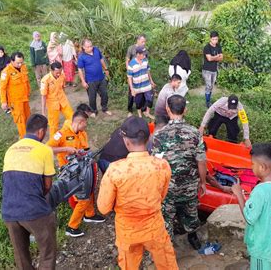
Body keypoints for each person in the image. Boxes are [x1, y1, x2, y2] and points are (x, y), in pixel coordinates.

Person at [97, 116, 178, 270]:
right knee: (167, 263)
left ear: (126, 141)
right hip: (154, 227)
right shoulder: (162, 166)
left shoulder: (115, 169)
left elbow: (104, 208)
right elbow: (162, 196)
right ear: (148, 139)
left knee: (129, 266)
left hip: (128, 231)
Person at [151, 94, 207, 250]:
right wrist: (202, 182)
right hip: (189, 185)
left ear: (167, 109)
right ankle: (193, 237)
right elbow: (201, 161)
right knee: (190, 210)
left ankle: (167, 247)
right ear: (185, 110)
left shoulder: (159, 135)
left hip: (168, 187)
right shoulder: (195, 133)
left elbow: (155, 163)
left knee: (167, 215)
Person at [1, 114, 57, 270]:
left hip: (9, 211)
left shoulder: (10, 149)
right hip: (33, 211)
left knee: (21, 256)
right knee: (48, 252)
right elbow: (47, 186)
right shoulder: (45, 150)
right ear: (41, 132)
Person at [47, 110, 105, 237]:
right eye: (85, 123)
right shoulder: (61, 134)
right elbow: (47, 149)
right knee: (83, 198)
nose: (86, 126)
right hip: (69, 173)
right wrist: (66, 149)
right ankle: (72, 227)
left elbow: (84, 148)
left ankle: (89, 215)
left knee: (88, 189)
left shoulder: (82, 133)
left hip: (82, 168)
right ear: (80, 122)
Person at [231, 143, 271, 270]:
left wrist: (239, 194)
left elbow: (249, 217)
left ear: (262, 167)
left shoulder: (259, 191)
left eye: (252, 164)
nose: (251, 167)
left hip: (263, 248)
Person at [77, 39, 112, 117]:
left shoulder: (96, 50)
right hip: (90, 80)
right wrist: (83, 81)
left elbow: (101, 59)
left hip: (101, 77)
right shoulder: (81, 57)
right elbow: (80, 69)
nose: (90, 48)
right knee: (92, 97)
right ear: (83, 47)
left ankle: (105, 108)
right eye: (88, 47)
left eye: (91, 46)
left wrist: (105, 68)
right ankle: (93, 111)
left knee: (104, 94)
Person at [0, 52, 31, 139]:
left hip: (25, 99)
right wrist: (3, 102)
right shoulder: (6, 72)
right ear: (12, 61)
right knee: (20, 121)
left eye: (21, 62)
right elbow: (2, 88)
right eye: (18, 63)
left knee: (28, 118)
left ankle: (31, 137)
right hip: (15, 102)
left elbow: (26, 81)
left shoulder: (23, 67)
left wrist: (29, 91)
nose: (20, 64)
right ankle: (25, 139)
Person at [40, 62, 74, 137]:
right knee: (53, 125)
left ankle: (72, 132)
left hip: (63, 101)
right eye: (57, 73)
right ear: (51, 70)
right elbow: (43, 96)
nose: (58, 74)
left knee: (72, 117)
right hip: (53, 105)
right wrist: (43, 111)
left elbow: (63, 87)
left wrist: (64, 96)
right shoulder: (45, 80)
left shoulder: (62, 75)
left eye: (60, 72)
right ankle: (53, 141)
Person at [127, 46, 156, 120]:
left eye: (144, 54)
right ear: (137, 54)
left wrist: (151, 81)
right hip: (137, 87)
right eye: (143, 54)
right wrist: (132, 89)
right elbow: (129, 78)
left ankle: (147, 112)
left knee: (150, 99)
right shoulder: (131, 64)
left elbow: (148, 71)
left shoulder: (145, 60)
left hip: (147, 85)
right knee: (138, 102)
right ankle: (140, 115)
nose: (144, 55)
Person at [125, 34, 147, 117]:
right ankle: (130, 110)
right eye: (142, 41)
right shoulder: (131, 48)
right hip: (133, 74)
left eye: (145, 41)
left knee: (143, 91)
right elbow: (127, 60)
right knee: (131, 92)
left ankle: (143, 108)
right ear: (137, 40)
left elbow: (145, 61)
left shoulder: (145, 49)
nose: (144, 43)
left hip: (141, 74)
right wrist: (129, 72)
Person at [202, 31, 223, 107]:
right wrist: (216, 57)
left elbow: (221, 58)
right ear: (210, 39)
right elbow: (209, 59)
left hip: (214, 70)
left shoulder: (218, 46)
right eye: (213, 39)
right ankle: (207, 102)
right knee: (208, 86)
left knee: (211, 86)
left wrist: (214, 57)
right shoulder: (206, 47)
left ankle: (209, 99)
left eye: (216, 39)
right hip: (207, 70)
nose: (215, 41)